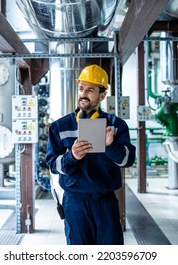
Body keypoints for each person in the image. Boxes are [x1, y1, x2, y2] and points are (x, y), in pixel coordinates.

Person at [45, 64, 136, 245]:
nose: (83, 94)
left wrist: (110, 145)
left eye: (90, 90)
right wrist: (71, 156)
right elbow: (52, 165)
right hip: (74, 202)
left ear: (102, 95)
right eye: (81, 89)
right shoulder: (60, 127)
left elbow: (127, 160)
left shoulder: (115, 126)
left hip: (105, 201)